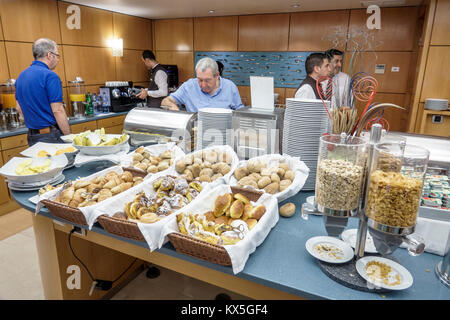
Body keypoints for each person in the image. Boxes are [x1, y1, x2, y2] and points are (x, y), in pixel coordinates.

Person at [15, 38, 70, 146]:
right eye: (57, 55)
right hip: (50, 136)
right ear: (50, 55)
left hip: (32, 136)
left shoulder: (21, 76)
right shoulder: (50, 76)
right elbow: (58, 110)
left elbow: (18, 108)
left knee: (41, 163)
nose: (58, 59)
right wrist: (69, 137)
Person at [161, 57, 243, 112]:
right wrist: (175, 109)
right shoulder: (189, 86)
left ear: (217, 75)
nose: (203, 85)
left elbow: (240, 112)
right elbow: (165, 101)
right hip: (196, 133)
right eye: (200, 80)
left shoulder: (230, 86)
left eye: (207, 80)